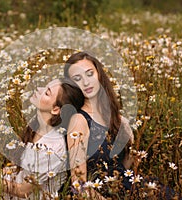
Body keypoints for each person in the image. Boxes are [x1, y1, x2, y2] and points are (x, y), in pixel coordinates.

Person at [63, 51, 134, 199]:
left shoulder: (120, 121)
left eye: (90, 74)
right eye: (77, 78)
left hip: (129, 191)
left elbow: (125, 167)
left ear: (99, 74)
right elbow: (79, 185)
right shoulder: (79, 121)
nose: (86, 82)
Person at [0, 78, 85, 199]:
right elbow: (20, 168)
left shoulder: (53, 147)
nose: (38, 89)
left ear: (55, 109)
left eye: (46, 92)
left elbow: (22, 191)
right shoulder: (36, 126)